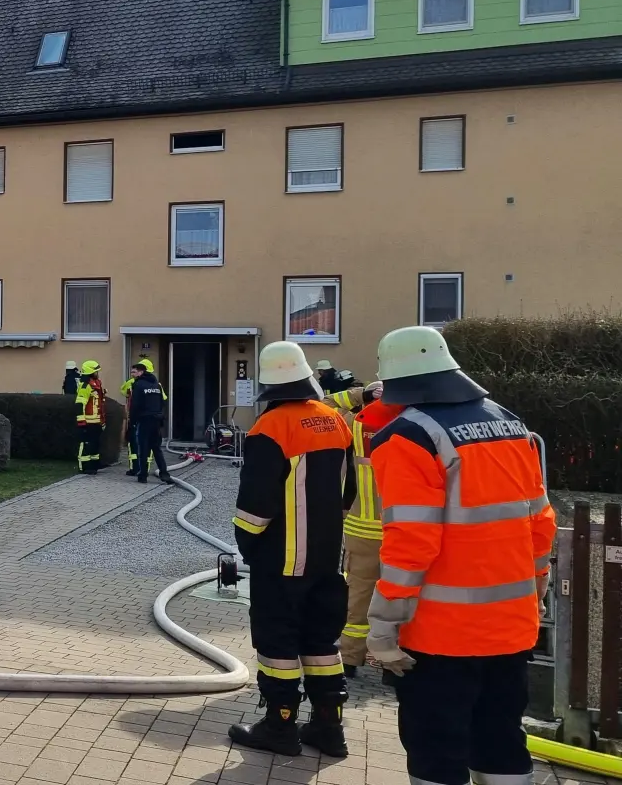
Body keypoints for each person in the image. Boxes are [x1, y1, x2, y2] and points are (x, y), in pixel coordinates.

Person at [366, 326, 554, 785]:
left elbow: (412, 543)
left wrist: (383, 628)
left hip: (440, 636)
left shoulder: (408, 438)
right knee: (501, 739)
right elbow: (540, 524)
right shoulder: (508, 423)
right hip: (511, 626)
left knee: (436, 752)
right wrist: (536, 594)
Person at [229, 341, 355, 758]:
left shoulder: (269, 429)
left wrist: (248, 547)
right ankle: (327, 727)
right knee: (322, 641)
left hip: (281, 561)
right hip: (326, 558)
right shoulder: (335, 421)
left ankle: (279, 727)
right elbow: (348, 491)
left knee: (277, 641)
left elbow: (255, 506)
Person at [320, 378, 393, 676]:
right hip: (405, 531)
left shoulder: (356, 423)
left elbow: (320, 408)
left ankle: (349, 660)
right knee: (399, 598)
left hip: (362, 527)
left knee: (358, 598)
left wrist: (357, 394)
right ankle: (392, 664)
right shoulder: (419, 422)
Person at [126, 360, 172, 484]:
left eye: (134, 372)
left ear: (141, 372)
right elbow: (162, 402)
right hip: (156, 420)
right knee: (157, 449)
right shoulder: (157, 384)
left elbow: (135, 405)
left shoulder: (138, 384)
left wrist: (133, 421)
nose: (132, 374)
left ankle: (143, 475)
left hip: (144, 420)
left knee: (143, 448)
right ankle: (164, 474)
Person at [64, 360, 107, 474]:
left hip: (97, 421)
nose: (98, 373)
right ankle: (85, 467)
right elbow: (80, 404)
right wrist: (81, 421)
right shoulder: (85, 386)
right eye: (96, 371)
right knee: (86, 444)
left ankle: (95, 465)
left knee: (95, 444)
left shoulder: (96, 384)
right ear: (90, 372)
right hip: (88, 421)